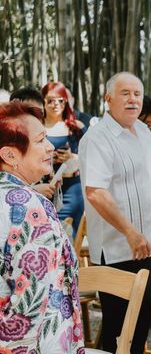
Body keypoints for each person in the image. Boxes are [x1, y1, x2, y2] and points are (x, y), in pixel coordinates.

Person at [78, 72, 151, 354]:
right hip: (118, 247)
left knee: (138, 329)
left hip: (143, 245)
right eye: (125, 93)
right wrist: (130, 231)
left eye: (137, 94)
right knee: (119, 330)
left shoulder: (143, 132)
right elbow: (96, 192)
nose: (133, 99)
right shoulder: (98, 138)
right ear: (108, 99)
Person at [0, 101, 84, 352]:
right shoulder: (30, 206)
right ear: (10, 154)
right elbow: (32, 300)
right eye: (40, 140)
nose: (49, 147)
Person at [42, 81, 87, 236]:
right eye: (50, 100)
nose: (56, 104)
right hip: (46, 188)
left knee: (71, 236)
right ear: (43, 101)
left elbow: (91, 159)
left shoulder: (77, 127)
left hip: (73, 189)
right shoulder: (37, 127)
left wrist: (72, 157)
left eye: (60, 100)